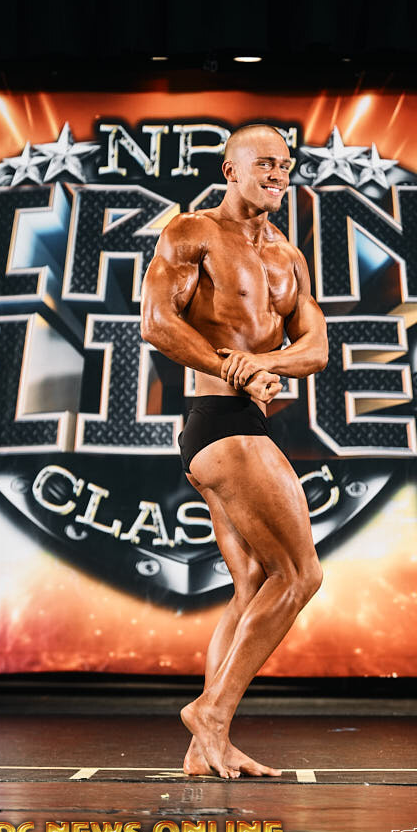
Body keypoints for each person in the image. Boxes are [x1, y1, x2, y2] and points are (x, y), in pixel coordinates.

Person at [140, 124, 328, 779]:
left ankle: (204, 750)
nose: (278, 175)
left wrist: (264, 364)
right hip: (220, 421)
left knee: (252, 583)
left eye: (286, 165)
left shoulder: (288, 257)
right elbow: (157, 323)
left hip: (241, 422)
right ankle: (211, 713)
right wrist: (235, 368)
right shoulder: (192, 233)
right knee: (300, 575)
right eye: (265, 163)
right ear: (231, 170)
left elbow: (316, 348)